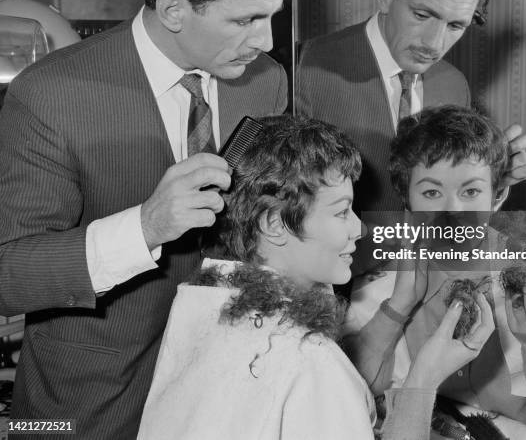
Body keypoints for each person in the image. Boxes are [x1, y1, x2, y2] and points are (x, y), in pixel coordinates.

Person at [0, 0, 290, 439]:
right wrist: (146, 227)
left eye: (272, 15)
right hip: (80, 402)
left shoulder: (264, 79)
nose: (266, 40)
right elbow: (7, 274)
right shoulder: (48, 94)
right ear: (174, 8)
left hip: (223, 388)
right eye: (246, 19)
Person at [136, 115, 495, 440]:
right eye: (341, 212)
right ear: (274, 224)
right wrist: (425, 378)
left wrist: (399, 306)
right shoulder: (308, 360)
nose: (359, 228)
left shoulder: (203, 303)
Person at [296, 0, 526, 274]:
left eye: (455, 26)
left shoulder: (453, 84)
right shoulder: (305, 67)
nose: (434, 43)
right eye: (422, 16)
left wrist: (489, 180)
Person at [346, 106, 526, 438]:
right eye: (432, 193)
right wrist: (398, 307)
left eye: (471, 192)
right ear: (407, 201)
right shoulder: (381, 284)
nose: (453, 209)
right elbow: (356, 400)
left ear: (498, 195)